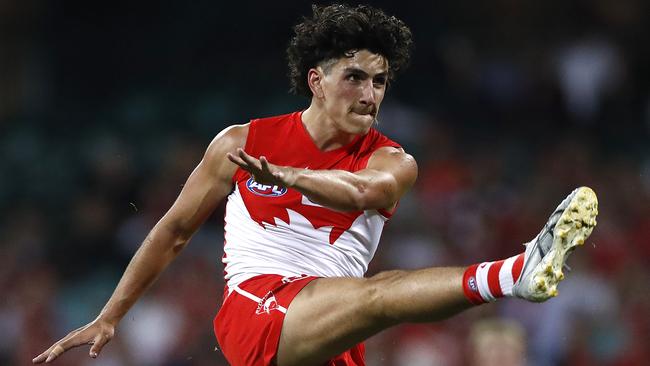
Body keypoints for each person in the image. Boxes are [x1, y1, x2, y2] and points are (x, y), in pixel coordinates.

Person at [33, 4, 599, 366]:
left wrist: (288, 176)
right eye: (355, 77)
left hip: (331, 336)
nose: (370, 94)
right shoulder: (240, 141)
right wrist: (111, 315)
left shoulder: (395, 162)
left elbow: (362, 194)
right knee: (383, 294)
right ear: (317, 80)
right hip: (257, 312)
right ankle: (513, 275)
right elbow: (175, 230)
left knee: (370, 299)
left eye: (380, 81)